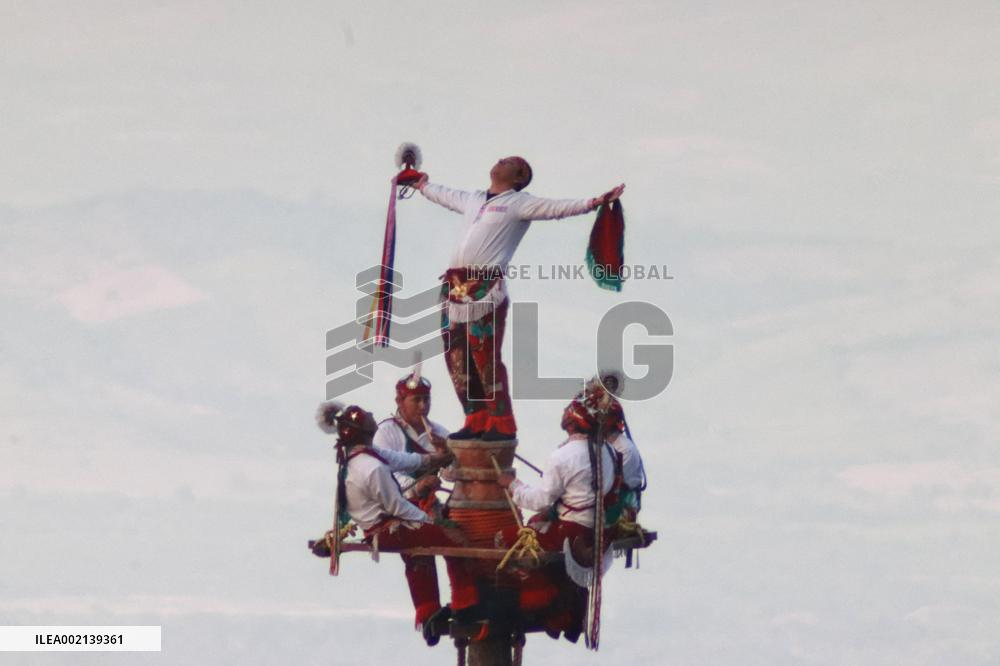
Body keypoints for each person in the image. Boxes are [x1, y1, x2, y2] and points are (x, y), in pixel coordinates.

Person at [413, 157, 625, 440]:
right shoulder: (474, 198)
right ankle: (475, 418)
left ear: (519, 176)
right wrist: (422, 185)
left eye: (508, 162)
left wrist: (593, 202)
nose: (499, 162)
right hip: (454, 286)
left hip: (484, 288)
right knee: (457, 357)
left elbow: (555, 208)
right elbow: (446, 195)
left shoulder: (518, 203)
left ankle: (500, 423)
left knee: (484, 356)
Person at [317, 402, 477, 644]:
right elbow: (397, 507)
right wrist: (429, 523)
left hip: (386, 528)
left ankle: (429, 613)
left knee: (419, 556)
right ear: (364, 430)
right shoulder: (371, 467)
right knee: (456, 539)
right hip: (389, 530)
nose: (374, 416)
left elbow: (404, 460)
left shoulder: (363, 457)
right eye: (369, 417)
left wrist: (436, 459)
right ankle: (467, 604)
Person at [373, 371, 453, 515]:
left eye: (426, 399)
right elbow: (383, 474)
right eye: (416, 400)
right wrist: (416, 486)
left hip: (428, 508)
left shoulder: (440, 433)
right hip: (391, 509)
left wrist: (448, 453)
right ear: (399, 402)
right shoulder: (385, 432)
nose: (423, 406)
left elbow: (453, 476)